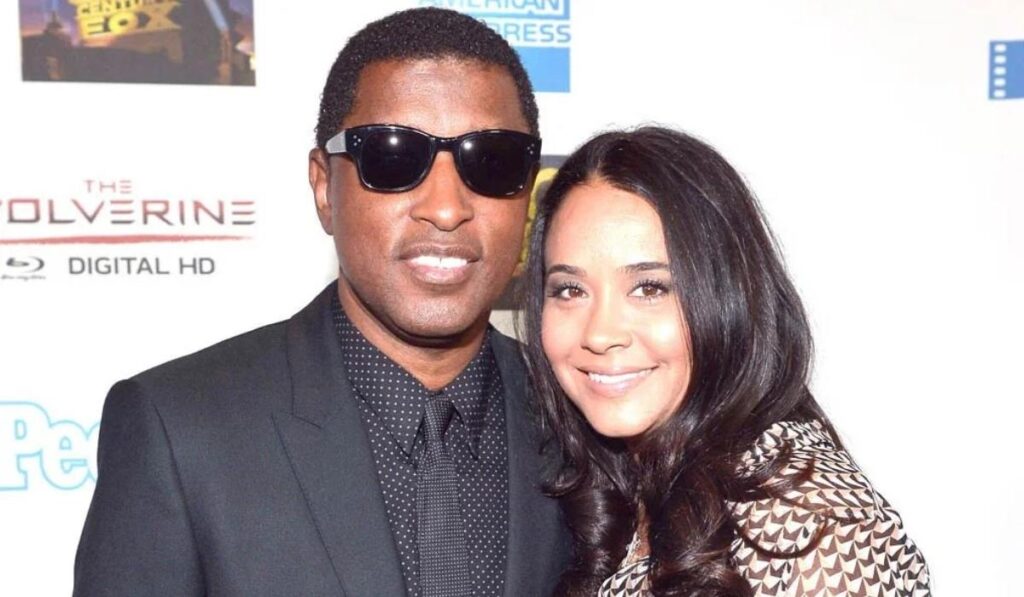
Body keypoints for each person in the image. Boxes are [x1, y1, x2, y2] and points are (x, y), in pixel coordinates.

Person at [74, 8, 567, 597]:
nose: (445, 208)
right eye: (392, 156)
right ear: (323, 187)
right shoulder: (179, 428)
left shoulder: (583, 420)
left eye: (493, 161)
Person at [519, 127, 931, 596]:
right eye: (570, 290)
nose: (600, 333)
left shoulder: (813, 529)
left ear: (728, 296)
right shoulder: (635, 484)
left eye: (650, 288)